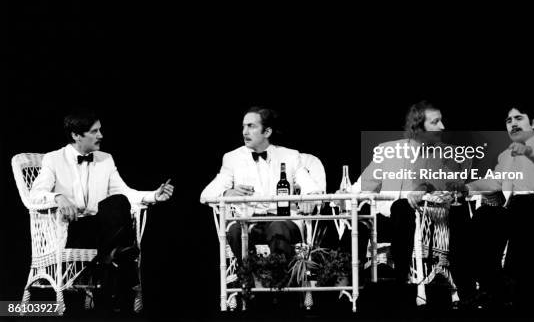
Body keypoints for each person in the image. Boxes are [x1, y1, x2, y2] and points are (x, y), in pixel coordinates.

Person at [29, 110, 174, 311]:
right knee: (120, 235)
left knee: (118, 201)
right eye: (94, 131)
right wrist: (57, 197)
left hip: (101, 231)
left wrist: (154, 196)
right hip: (71, 229)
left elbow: (125, 193)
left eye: (100, 130)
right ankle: (117, 261)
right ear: (76, 135)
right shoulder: (53, 160)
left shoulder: (106, 159)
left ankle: (109, 261)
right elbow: (34, 195)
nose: (101, 136)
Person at [351, 100, 472, 293]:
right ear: (417, 126)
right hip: (386, 221)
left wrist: (424, 187)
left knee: (401, 207)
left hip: (427, 221)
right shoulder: (387, 150)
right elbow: (363, 186)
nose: (443, 126)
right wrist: (345, 195)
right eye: (435, 122)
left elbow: (451, 186)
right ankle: (349, 282)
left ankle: (401, 283)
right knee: (357, 214)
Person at [465, 105, 534, 306]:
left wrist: (528, 152)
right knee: (482, 215)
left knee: (521, 205)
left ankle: (515, 288)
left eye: (518, 118)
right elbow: (494, 181)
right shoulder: (506, 155)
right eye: (508, 120)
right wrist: (466, 187)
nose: (512, 124)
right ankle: (494, 286)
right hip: (513, 215)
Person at [200, 106, 323, 260]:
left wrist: (309, 201)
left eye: (251, 126)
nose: (245, 132)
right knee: (234, 230)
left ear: (267, 132)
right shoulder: (232, 158)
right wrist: (227, 193)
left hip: (282, 220)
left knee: (277, 227)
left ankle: (279, 281)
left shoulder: (290, 156)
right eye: (243, 127)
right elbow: (205, 195)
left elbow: (313, 190)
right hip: (249, 221)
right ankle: (248, 279)